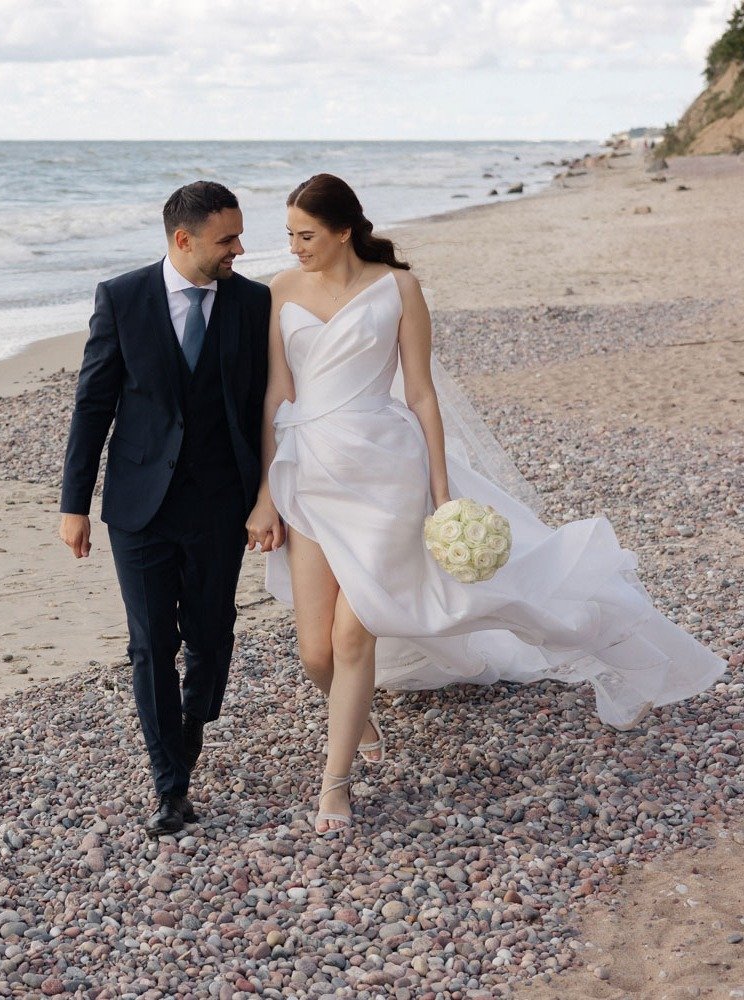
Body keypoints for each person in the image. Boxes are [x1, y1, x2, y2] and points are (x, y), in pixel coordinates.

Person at [245, 172, 726, 835]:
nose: (294, 247)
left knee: (354, 634)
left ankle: (335, 786)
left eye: (306, 235)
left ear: (343, 232)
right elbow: (276, 395)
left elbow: (420, 395)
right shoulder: (280, 292)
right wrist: (265, 494)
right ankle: (359, 716)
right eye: (289, 235)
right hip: (309, 479)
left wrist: (441, 493)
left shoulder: (399, 289)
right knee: (315, 651)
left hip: (388, 480)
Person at [60, 181, 270, 838]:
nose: (240, 247)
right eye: (227, 238)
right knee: (152, 644)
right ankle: (170, 786)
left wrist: (269, 496)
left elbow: (268, 406)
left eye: (239, 234)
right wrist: (75, 505)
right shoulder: (121, 299)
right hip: (138, 505)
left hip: (221, 503)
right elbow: (93, 404)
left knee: (211, 637)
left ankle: (188, 729)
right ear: (184, 240)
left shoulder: (252, 303)